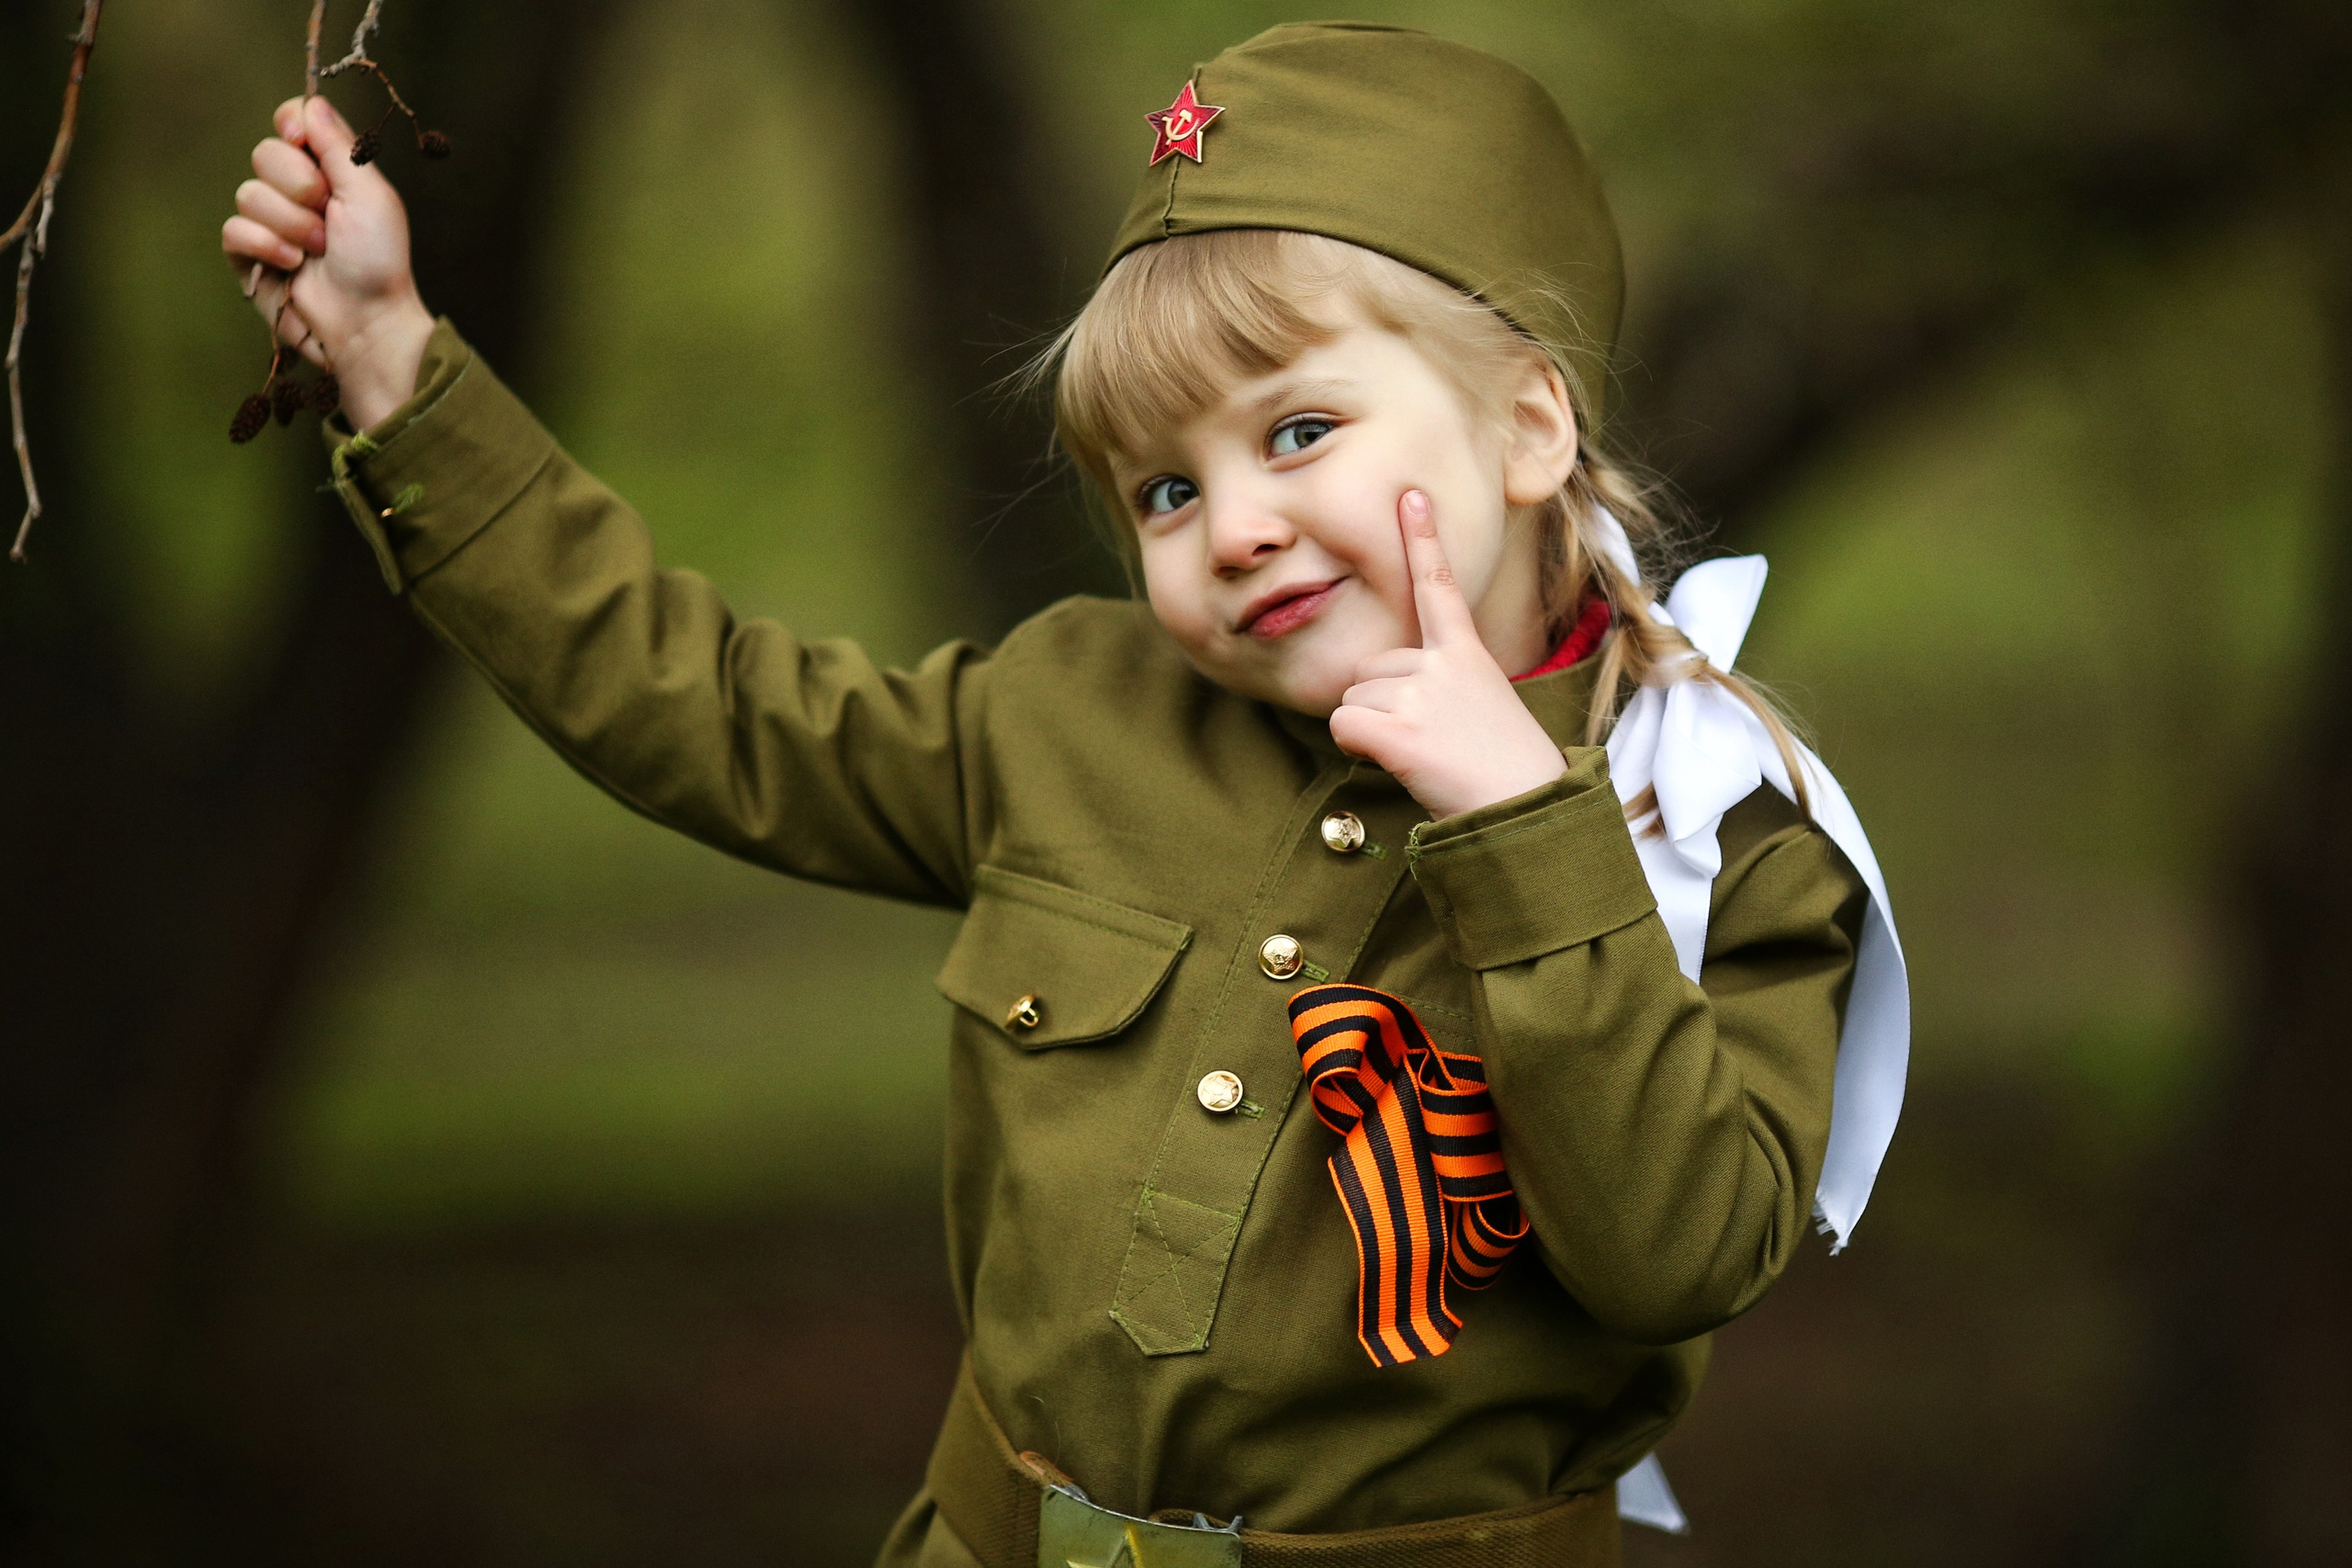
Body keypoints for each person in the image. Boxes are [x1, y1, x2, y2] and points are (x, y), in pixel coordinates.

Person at [221, 21, 1907, 1568]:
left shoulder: (1719, 836)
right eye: (1168, 486)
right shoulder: (1075, 714)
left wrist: (1522, 830)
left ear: (1531, 424)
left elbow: (1683, 1252)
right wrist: (392, 364)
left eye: (1301, 430)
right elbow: (700, 707)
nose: (1233, 524)